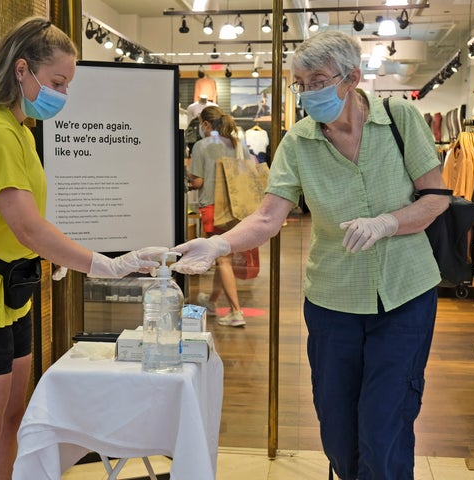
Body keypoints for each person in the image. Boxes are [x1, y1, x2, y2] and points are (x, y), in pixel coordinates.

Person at [171, 30, 450, 479]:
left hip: (404, 296)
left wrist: (387, 223)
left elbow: (436, 198)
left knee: (384, 428)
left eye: (318, 80)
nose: (307, 93)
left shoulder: (399, 119)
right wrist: (218, 244)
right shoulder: (298, 143)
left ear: (352, 78)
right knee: (338, 429)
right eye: (300, 83)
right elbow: (266, 218)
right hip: (333, 303)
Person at [0, 17, 166, 480]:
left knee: (10, 422)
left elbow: (25, 227)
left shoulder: (19, 128)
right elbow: (28, 226)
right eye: (57, 82)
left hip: (10, 290)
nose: (63, 95)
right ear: (21, 70)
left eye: (67, 84)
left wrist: (46, 256)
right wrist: (106, 266)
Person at [187, 105, 253, 327]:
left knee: (222, 259)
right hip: (236, 206)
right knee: (222, 254)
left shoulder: (202, 146)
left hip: (214, 207)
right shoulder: (236, 143)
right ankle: (213, 301)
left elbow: (199, 181)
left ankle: (236, 311)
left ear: (206, 124)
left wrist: (188, 176)